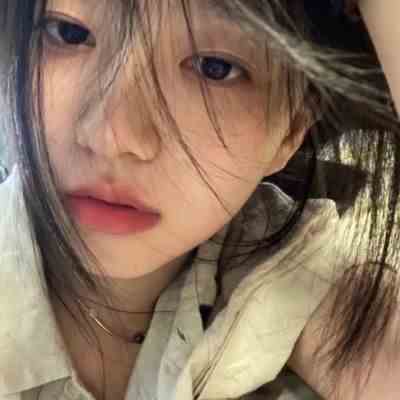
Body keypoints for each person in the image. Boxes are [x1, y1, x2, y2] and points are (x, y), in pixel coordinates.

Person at [0, 1, 398, 400]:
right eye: (69, 33)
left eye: (214, 68)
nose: (111, 137)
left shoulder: (299, 281)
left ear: (292, 128)